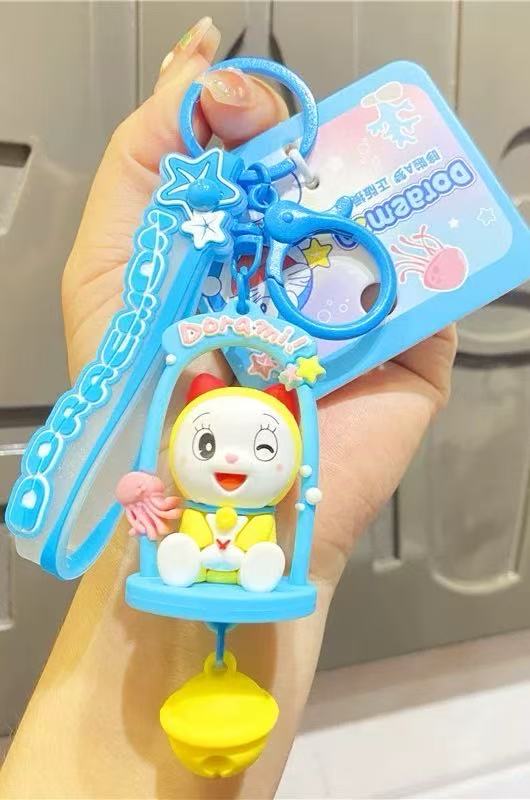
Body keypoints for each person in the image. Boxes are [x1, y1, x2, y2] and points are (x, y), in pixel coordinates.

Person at [0, 17, 456, 800]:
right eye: (210, 445)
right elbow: (150, 481)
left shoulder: (281, 446)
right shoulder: (187, 394)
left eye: (262, 448)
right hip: (199, 549)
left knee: (251, 560)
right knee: (195, 557)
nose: (237, 460)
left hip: (250, 556)